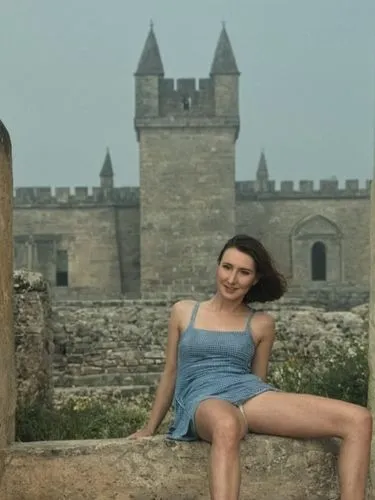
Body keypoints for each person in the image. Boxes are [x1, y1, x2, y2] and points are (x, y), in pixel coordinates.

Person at [129, 234, 372, 500]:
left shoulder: (261, 323)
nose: (231, 279)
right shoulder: (184, 311)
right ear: (218, 265)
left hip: (248, 395)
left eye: (243, 272)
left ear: (255, 279)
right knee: (226, 423)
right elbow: (171, 371)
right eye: (227, 267)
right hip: (201, 398)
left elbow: (258, 380)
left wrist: (269, 415)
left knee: (359, 419)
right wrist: (150, 427)